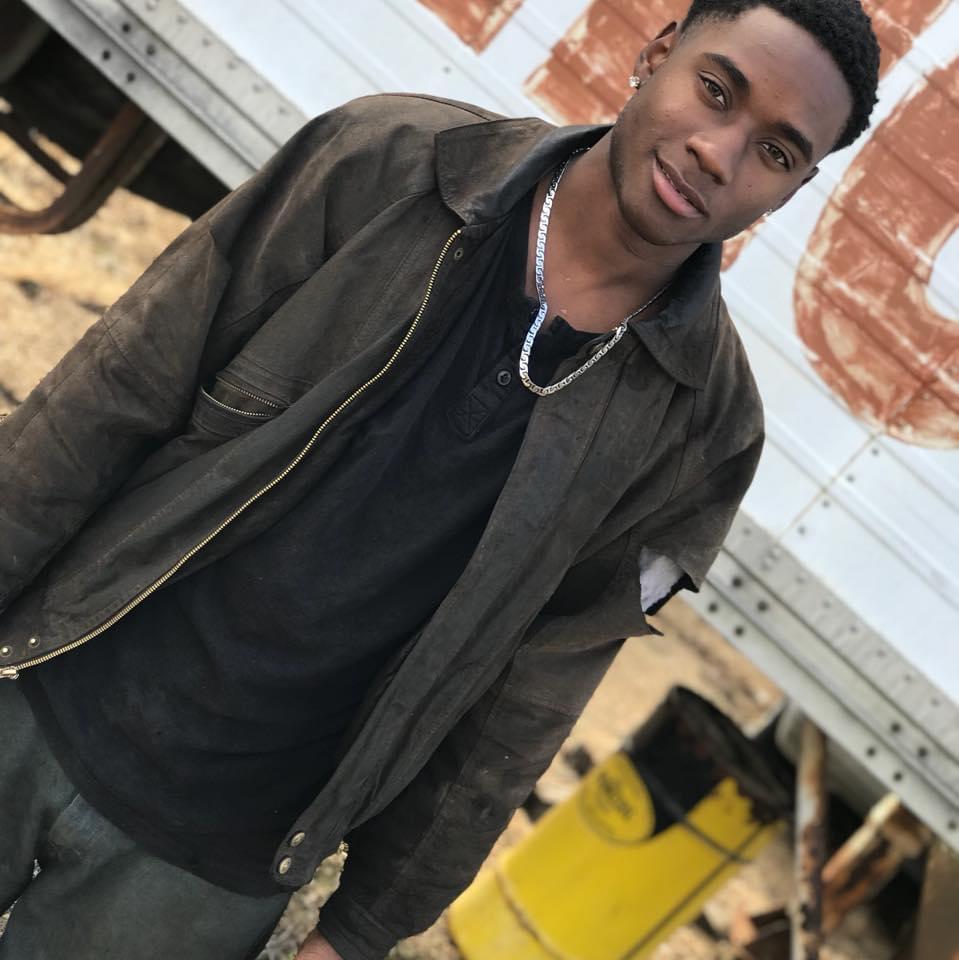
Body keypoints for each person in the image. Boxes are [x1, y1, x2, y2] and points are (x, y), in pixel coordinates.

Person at [0, 1, 880, 957]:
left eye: (775, 152)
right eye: (714, 90)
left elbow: (526, 700)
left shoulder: (701, 429)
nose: (718, 151)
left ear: (792, 190)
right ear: (655, 53)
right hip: (42, 688)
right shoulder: (389, 163)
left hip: (206, 868)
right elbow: (115, 391)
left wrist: (362, 929)